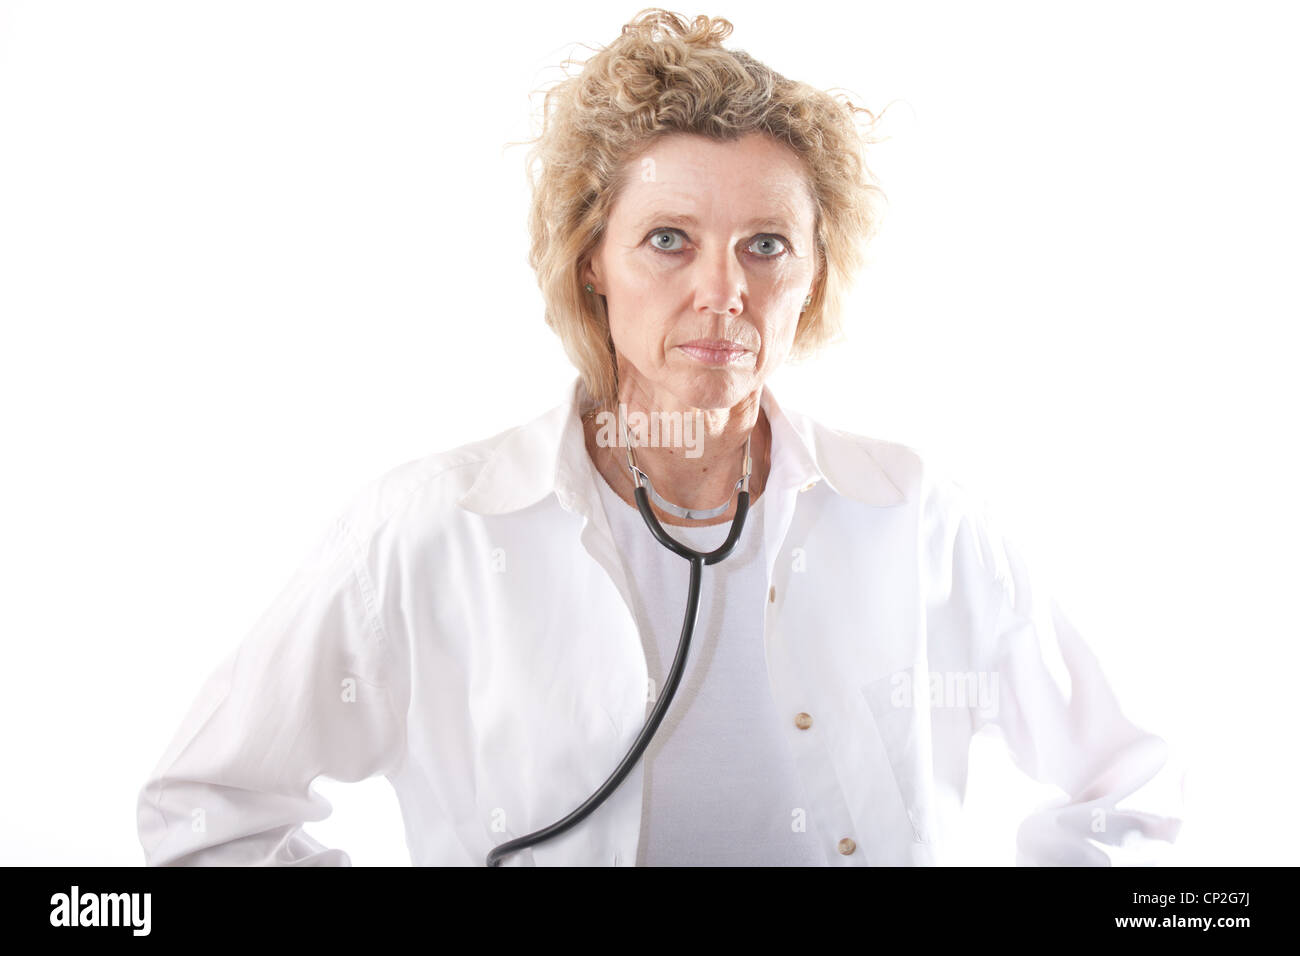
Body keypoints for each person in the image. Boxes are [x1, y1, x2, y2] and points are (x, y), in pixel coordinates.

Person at [136, 8, 1184, 866]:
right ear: (593, 259)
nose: (722, 292)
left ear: (815, 270)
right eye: (668, 240)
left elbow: (1133, 785)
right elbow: (207, 811)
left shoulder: (916, 514)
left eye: (766, 244)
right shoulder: (434, 528)